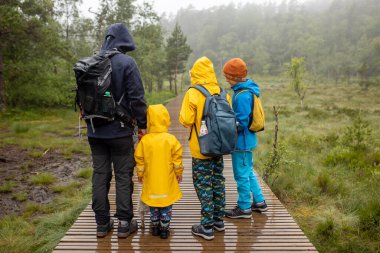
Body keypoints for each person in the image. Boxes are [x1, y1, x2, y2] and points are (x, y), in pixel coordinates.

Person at [87, 23, 147, 238]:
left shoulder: (92, 62)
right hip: (120, 131)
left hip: (95, 131)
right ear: (124, 41)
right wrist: (143, 126)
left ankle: (102, 224)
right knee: (123, 176)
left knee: (100, 175)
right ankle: (124, 223)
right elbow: (137, 98)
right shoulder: (127, 63)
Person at [179, 56, 231, 241]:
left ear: (195, 73)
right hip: (219, 146)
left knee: (203, 184)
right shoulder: (222, 92)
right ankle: (219, 221)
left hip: (200, 148)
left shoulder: (193, 93)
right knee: (218, 180)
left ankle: (206, 225)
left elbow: (185, 120)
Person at [223, 58, 268, 219]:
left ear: (234, 77)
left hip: (241, 142)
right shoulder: (247, 90)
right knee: (248, 171)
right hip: (248, 140)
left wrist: (226, 127)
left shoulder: (242, 96)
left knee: (240, 175)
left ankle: (243, 208)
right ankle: (260, 202)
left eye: (227, 76)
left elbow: (241, 123)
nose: (226, 79)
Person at [134, 104, 184, 239]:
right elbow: (177, 159)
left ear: (149, 120)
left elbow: (139, 159)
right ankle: (164, 229)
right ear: (166, 119)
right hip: (167, 180)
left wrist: (140, 174)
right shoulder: (171, 139)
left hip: (151, 180)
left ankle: (155, 227)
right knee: (166, 205)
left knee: (153, 205)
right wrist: (178, 173)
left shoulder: (145, 141)